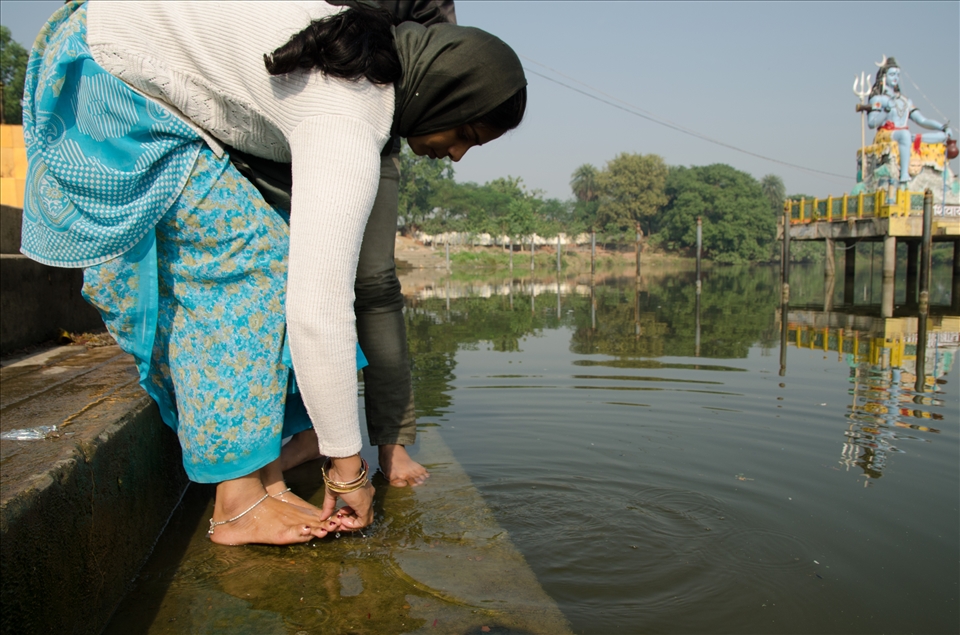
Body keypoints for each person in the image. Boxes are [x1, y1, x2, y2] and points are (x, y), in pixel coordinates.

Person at [20, 0, 526, 545]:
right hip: (109, 69)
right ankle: (237, 505)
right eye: (468, 135)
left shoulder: (367, 71)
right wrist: (348, 470)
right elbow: (318, 312)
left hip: (114, 46)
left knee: (269, 252)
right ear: (445, 93)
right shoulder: (348, 114)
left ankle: (259, 480)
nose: (456, 156)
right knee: (239, 264)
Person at [231, 0, 458, 488]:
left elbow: (441, 59)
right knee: (276, 277)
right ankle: (310, 432)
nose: (457, 155)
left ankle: (390, 443)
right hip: (269, 121)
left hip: (371, 135)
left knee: (372, 285)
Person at [865, 56, 954, 187]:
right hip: (886, 134)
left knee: (942, 137)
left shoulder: (905, 101)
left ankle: (914, 141)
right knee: (904, 135)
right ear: (884, 77)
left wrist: (943, 127)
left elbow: (921, 120)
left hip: (903, 134)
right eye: (892, 74)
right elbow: (871, 123)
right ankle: (904, 175)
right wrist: (885, 111)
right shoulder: (879, 99)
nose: (895, 77)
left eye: (897, 74)